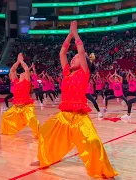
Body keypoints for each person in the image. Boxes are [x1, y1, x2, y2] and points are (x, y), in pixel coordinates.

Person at [36, 21, 118, 178]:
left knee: (93, 141)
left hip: (80, 117)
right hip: (63, 116)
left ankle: (103, 170)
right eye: (72, 57)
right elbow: (62, 53)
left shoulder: (84, 73)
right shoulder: (67, 73)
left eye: (76, 58)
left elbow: (81, 51)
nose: (73, 59)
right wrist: (69, 34)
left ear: (85, 63)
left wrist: (75, 33)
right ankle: (43, 159)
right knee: (45, 134)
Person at [1, 53, 39, 138]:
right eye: (21, 73)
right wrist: (18, 61)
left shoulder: (26, 82)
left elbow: (26, 69)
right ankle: (7, 131)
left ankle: (38, 134)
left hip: (26, 107)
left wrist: (21, 61)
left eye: (24, 73)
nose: (22, 73)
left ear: (26, 76)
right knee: (5, 116)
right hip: (16, 107)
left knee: (32, 120)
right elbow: (12, 70)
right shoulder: (15, 82)